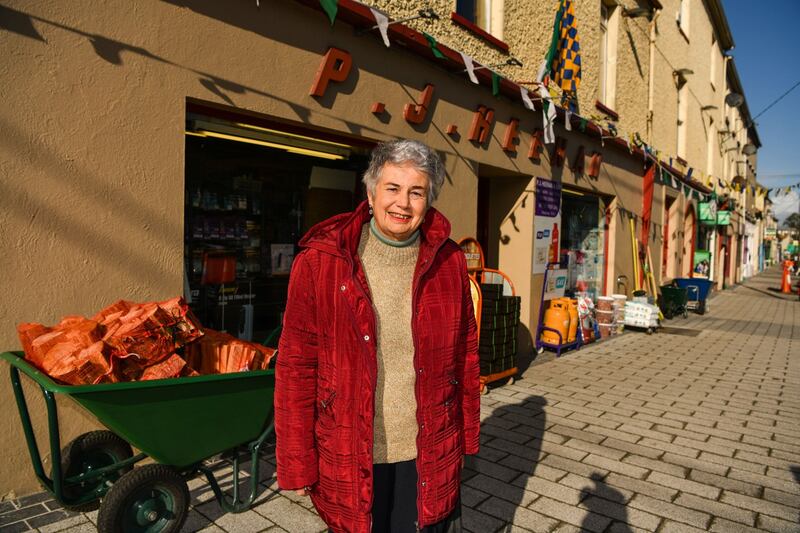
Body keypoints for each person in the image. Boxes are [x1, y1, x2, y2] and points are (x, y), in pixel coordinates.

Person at [275, 139, 480, 533]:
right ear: (370, 194)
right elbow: (296, 368)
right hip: (348, 447)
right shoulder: (321, 262)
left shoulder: (449, 262)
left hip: (426, 449)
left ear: (428, 201)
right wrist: (296, 461)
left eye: (416, 192)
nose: (403, 203)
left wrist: (466, 440)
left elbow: (465, 358)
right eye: (393, 188)